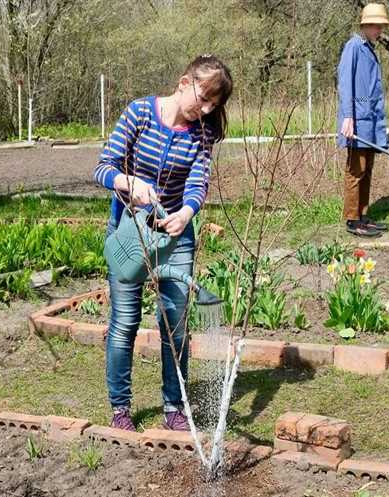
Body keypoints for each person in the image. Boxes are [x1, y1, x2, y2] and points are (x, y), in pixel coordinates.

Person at [92, 55, 233, 431]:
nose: (205, 110)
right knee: (124, 324)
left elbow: (198, 181)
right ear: (184, 82)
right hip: (131, 233)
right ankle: (120, 408)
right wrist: (129, 183)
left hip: (175, 233)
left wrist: (187, 213)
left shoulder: (202, 133)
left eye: (213, 106)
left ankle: (175, 406)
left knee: (175, 324)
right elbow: (103, 167)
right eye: (203, 99)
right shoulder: (139, 113)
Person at [337, 2, 389, 238]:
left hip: (370, 122)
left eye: (381, 26)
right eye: (376, 26)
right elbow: (345, 82)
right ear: (366, 25)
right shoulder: (353, 47)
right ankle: (352, 219)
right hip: (357, 120)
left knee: (367, 169)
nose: (380, 30)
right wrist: (348, 116)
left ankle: (363, 216)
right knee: (355, 170)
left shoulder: (370, 49)